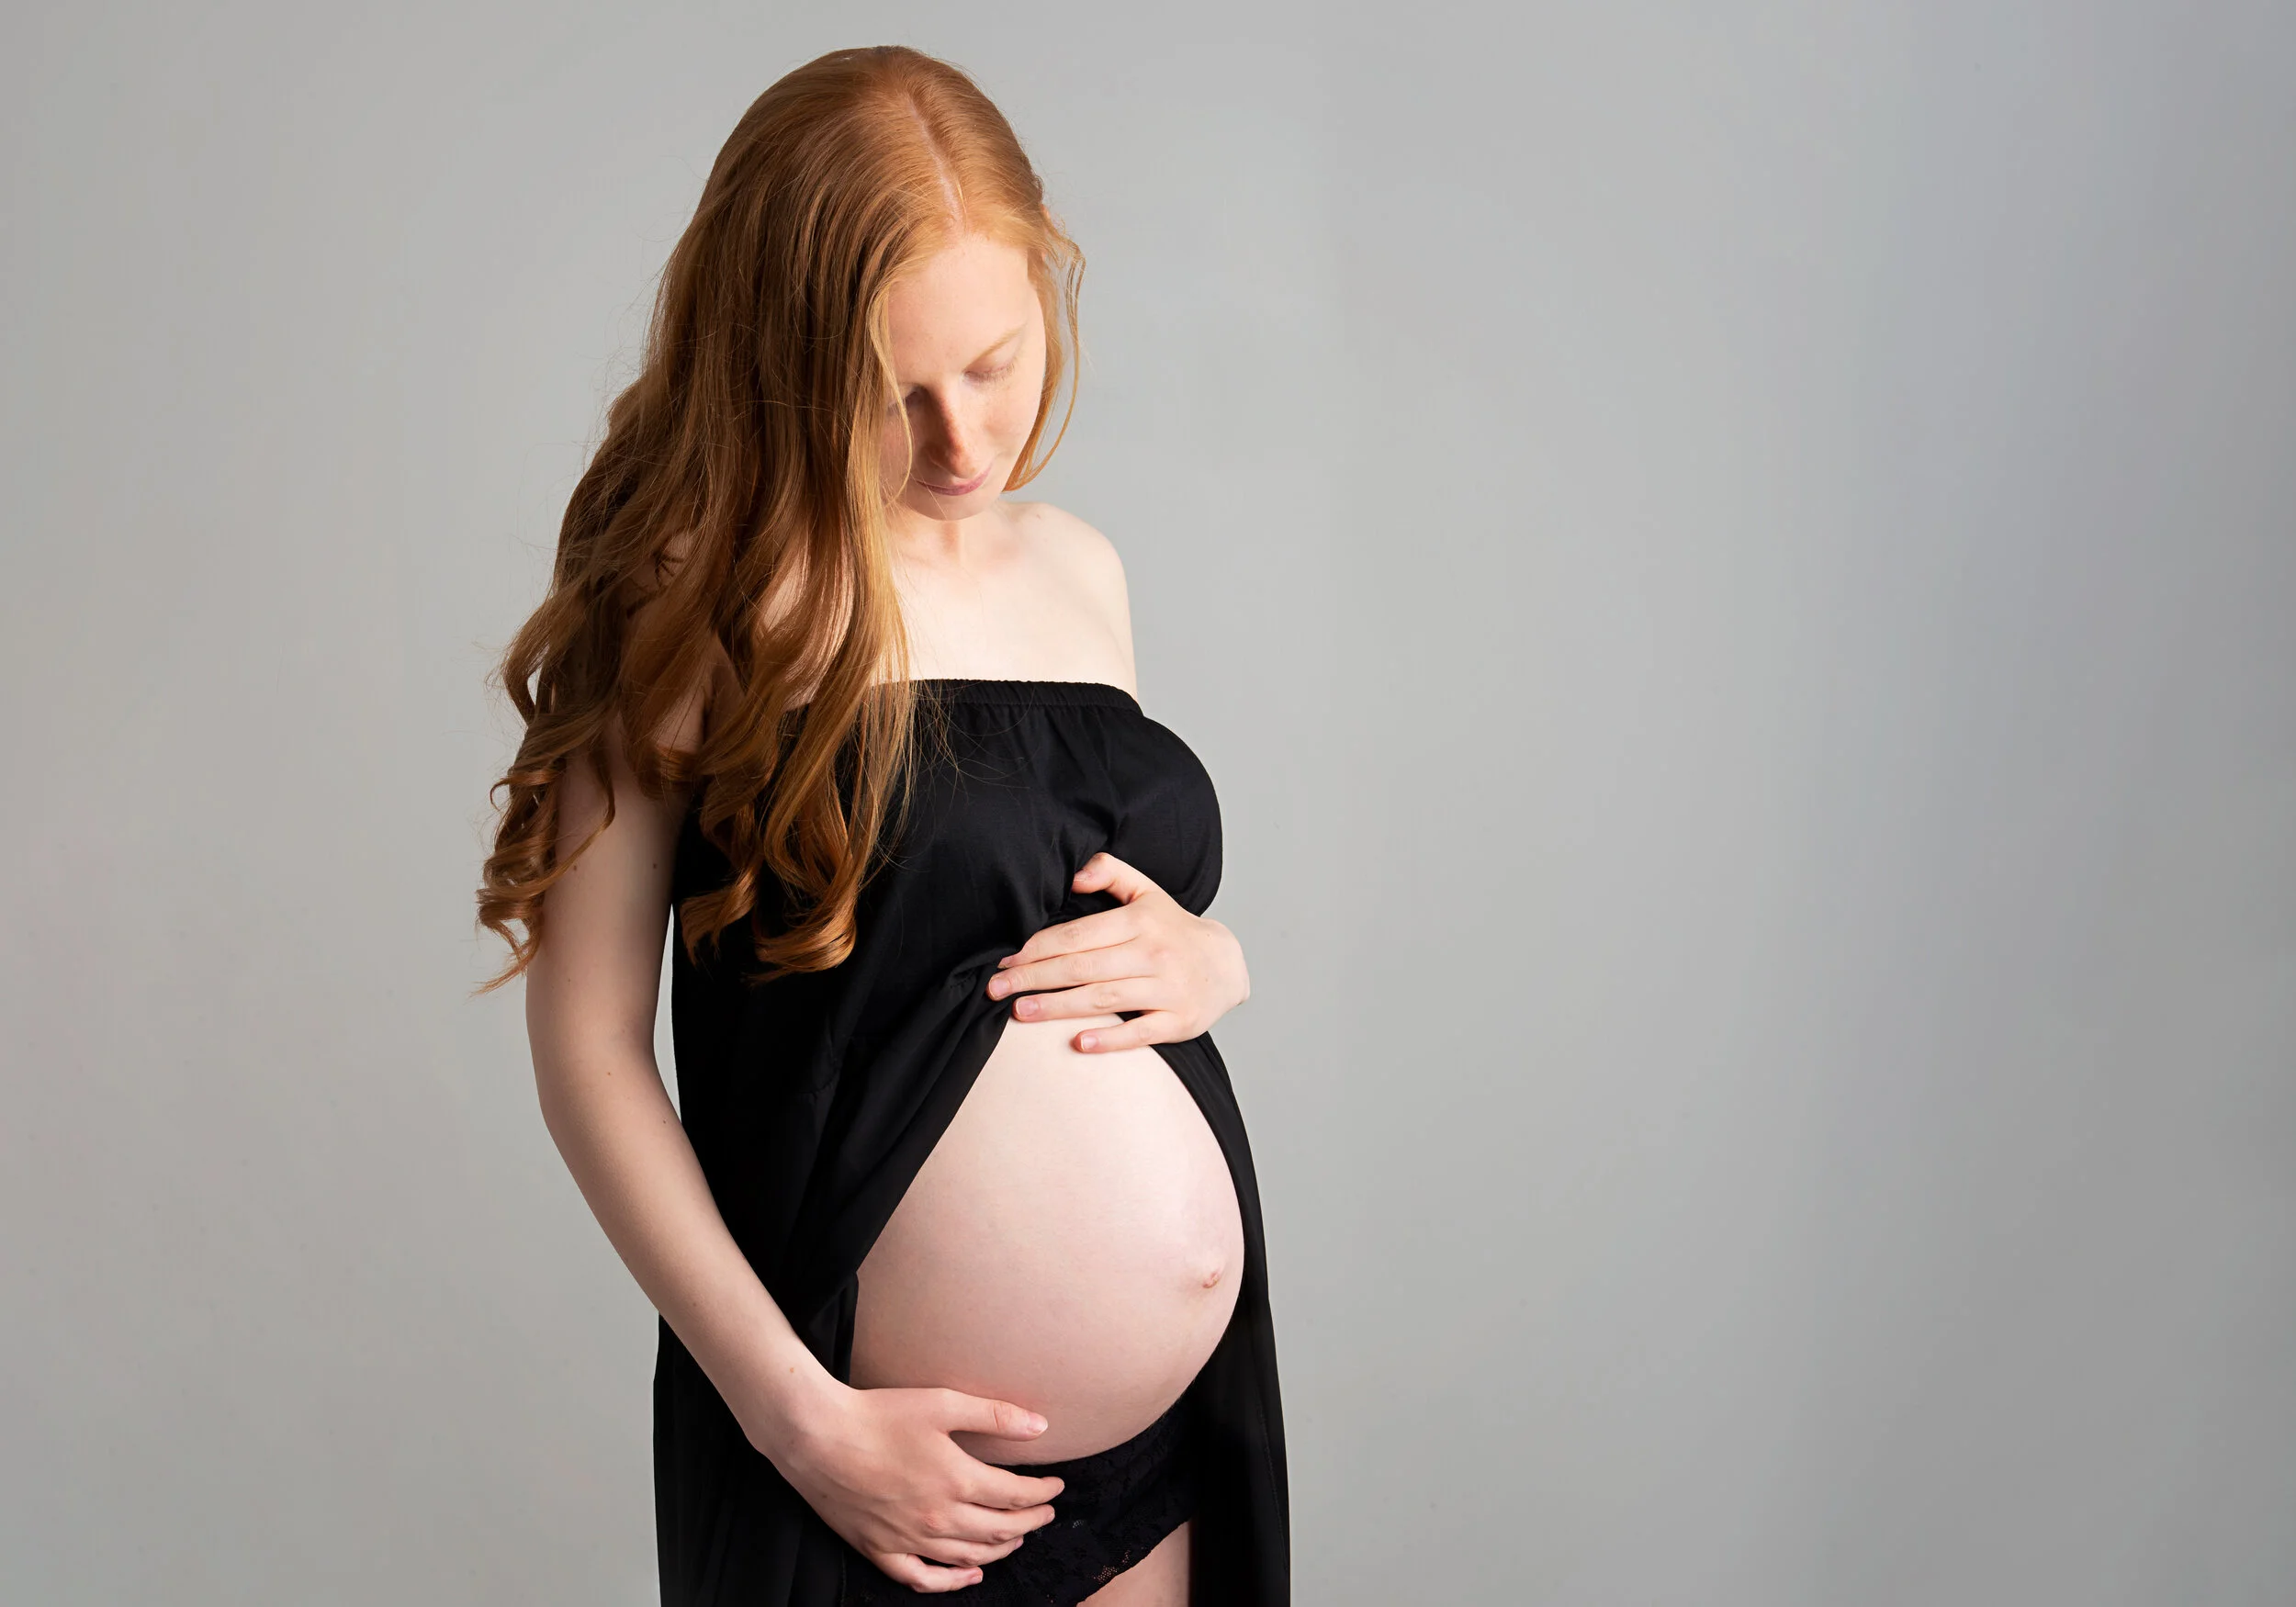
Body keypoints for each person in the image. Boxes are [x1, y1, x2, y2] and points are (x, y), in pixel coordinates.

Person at [474, 45, 1288, 1607]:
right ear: (784, 362)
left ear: (1049, 281)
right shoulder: (693, 605)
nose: (964, 440)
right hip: (866, 1456)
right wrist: (800, 1422)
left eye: (993, 361)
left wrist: (1212, 959)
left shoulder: (1083, 572)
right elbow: (587, 1055)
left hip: (1155, 1456)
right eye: (893, 390)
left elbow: (1065, 902)